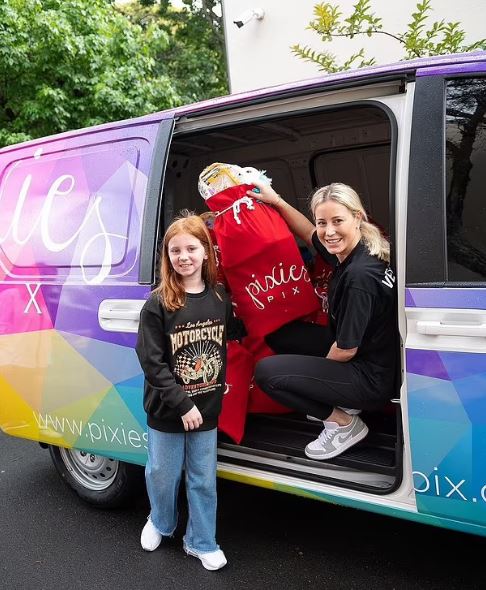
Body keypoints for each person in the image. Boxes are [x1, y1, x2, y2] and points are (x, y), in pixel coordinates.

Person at [249, 182, 398, 460]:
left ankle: (343, 423)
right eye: (323, 222)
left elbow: (345, 350)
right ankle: (343, 404)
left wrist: (318, 386)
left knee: (268, 373)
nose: (329, 231)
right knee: (281, 334)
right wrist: (277, 200)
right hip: (373, 353)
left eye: (337, 221)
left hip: (370, 377)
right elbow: (308, 234)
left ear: (357, 216)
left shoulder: (359, 277)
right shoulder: (361, 247)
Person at [136, 211, 235, 571]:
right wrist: (181, 404)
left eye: (192, 248)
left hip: (207, 410)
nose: (184, 257)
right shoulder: (158, 304)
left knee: (203, 479)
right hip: (168, 411)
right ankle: (160, 522)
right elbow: (152, 363)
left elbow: (229, 338)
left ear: (206, 251)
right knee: (162, 474)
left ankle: (201, 541)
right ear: (167, 256)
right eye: (175, 250)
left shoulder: (220, 298)